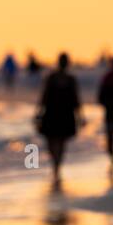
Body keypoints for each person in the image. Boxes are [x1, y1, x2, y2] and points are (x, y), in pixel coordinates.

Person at [36, 52, 82, 187]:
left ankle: (56, 167)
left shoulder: (70, 79)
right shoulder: (51, 78)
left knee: (60, 142)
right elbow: (44, 96)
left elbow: (76, 99)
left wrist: (80, 115)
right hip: (53, 113)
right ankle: (55, 165)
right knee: (52, 142)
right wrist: (38, 112)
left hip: (63, 114)